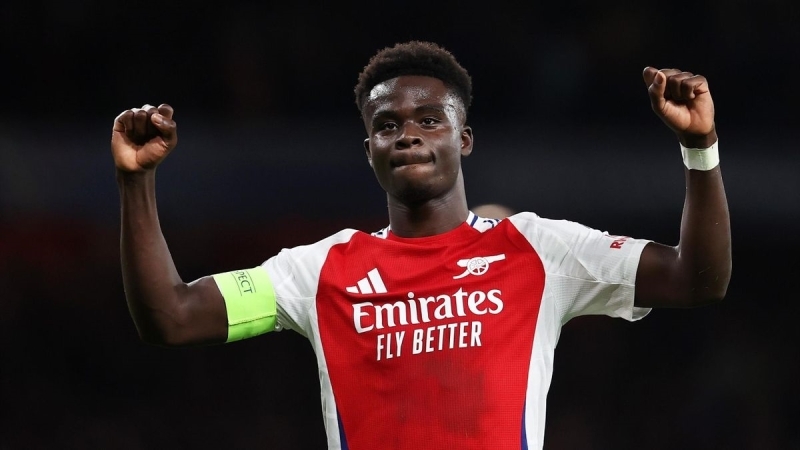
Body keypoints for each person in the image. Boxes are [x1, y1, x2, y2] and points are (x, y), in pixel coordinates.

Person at [111, 41, 731, 449]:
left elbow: (697, 279)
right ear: (370, 152)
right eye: (387, 126)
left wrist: (699, 148)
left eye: (429, 120)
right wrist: (136, 182)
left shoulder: (538, 250)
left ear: (464, 139)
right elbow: (172, 316)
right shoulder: (321, 271)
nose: (407, 135)